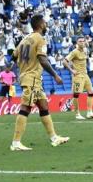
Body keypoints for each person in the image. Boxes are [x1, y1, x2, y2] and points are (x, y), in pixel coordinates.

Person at [9, 14, 69, 151]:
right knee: (26, 107)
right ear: (41, 25)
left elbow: (13, 56)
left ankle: (54, 138)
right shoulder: (40, 39)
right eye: (45, 23)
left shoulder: (25, 39)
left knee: (43, 106)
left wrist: (11, 69)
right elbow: (42, 59)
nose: (46, 25)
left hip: (28, 76)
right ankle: (16, 142)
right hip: (32, 78)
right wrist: (55, 75)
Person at [63, 37, 93, 120]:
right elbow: (64, 61)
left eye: (83, 41)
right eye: (80, 41)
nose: (82, 42)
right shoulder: (74, 52)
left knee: (91, 92)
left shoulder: (85, 50)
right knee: (76, 95)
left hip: (85, 75)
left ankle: (89, 112)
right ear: (77, 42)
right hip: (78, 76)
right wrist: (72, 70)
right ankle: (77, 114)